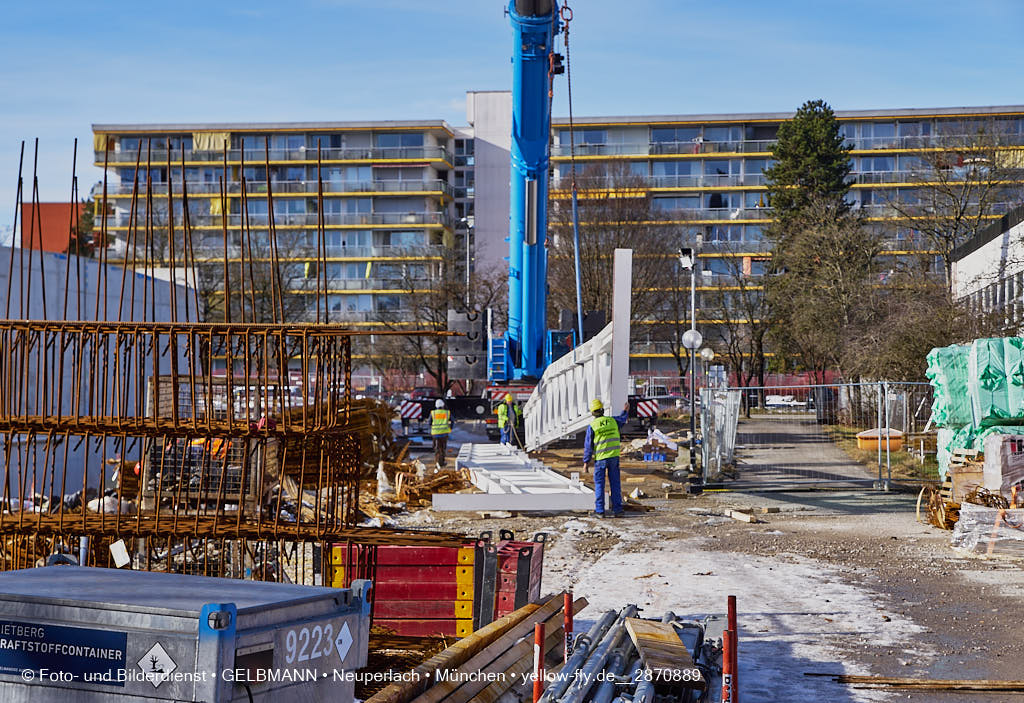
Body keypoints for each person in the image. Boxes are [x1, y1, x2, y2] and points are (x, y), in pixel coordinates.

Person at [582, 398, 629, 518]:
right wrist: (625, 411)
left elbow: (588, 446)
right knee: (615, 484)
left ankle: (600, 511)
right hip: (614, 457)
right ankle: (618, 510)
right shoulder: (612, 421)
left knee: (599, 485)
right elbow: (622, 419)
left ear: (593, 413)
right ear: (603, 410)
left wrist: (586, 463)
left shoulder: (592, 426)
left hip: (601, 459)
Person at [430, 398, 453, 469]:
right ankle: (442, 462)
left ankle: (437, 462)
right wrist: (450, 428)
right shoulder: (447, 413)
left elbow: (429, 422)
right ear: (443, 405)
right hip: (444, 434)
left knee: (436, 448)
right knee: (443, 448)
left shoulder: (433, 413)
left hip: (435, 434)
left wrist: (433, 427)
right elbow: (453, 421)